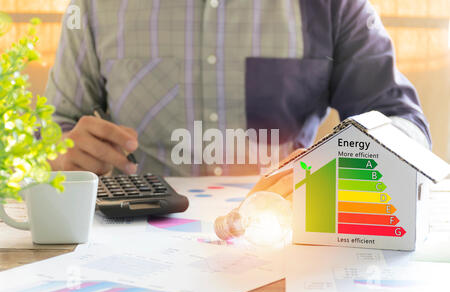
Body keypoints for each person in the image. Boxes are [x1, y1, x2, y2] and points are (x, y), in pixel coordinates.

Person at [47, 0, 431, 200]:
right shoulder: (95, 7)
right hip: (131, 240)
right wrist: (63, 156)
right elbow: (51, 132)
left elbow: (401, 124)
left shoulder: (333, 6)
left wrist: (347, 165)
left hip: (282, 241)